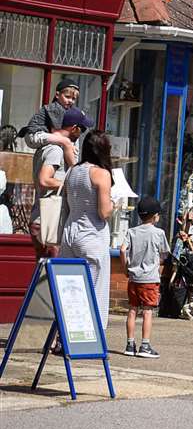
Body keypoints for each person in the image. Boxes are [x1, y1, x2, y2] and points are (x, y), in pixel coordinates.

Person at [59, 128, 116, 329]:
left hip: (70, 232)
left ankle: (62, 337)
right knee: (95, 290)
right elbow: (104, 212)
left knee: (69, 290)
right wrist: (113, 204)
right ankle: (93, 336)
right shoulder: (101, 173)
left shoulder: (72, 171)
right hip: (91, 235)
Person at [30, 107, 89, 258]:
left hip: (45, 218)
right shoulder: (55, 150)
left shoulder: (55, 147)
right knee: (53, 271)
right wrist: (69, 183)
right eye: (82, 129)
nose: (82, 133)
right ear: (74, 128)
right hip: (48, 220)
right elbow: (44, 180)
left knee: (45, 273)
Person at [123, 197, 167, 358]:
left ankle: (129, 344)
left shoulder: (131, 231)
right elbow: (164, 255)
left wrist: (125, 268)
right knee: (147, 311)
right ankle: (145, 346)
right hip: (150, 279)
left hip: (133, 278)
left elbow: (122, 250)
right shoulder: (159, 233)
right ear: (155, 216)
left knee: (132, 310)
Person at [19, 77, 82, 159]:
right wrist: (69, 145)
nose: (70, 101)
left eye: (73, 98)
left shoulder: (66, 110)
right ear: (57, 95)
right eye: (67, 97)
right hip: (34, 134)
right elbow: (56, 131)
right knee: (66, 141)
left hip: (45, 135)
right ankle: (73, 166)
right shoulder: (56, 108)